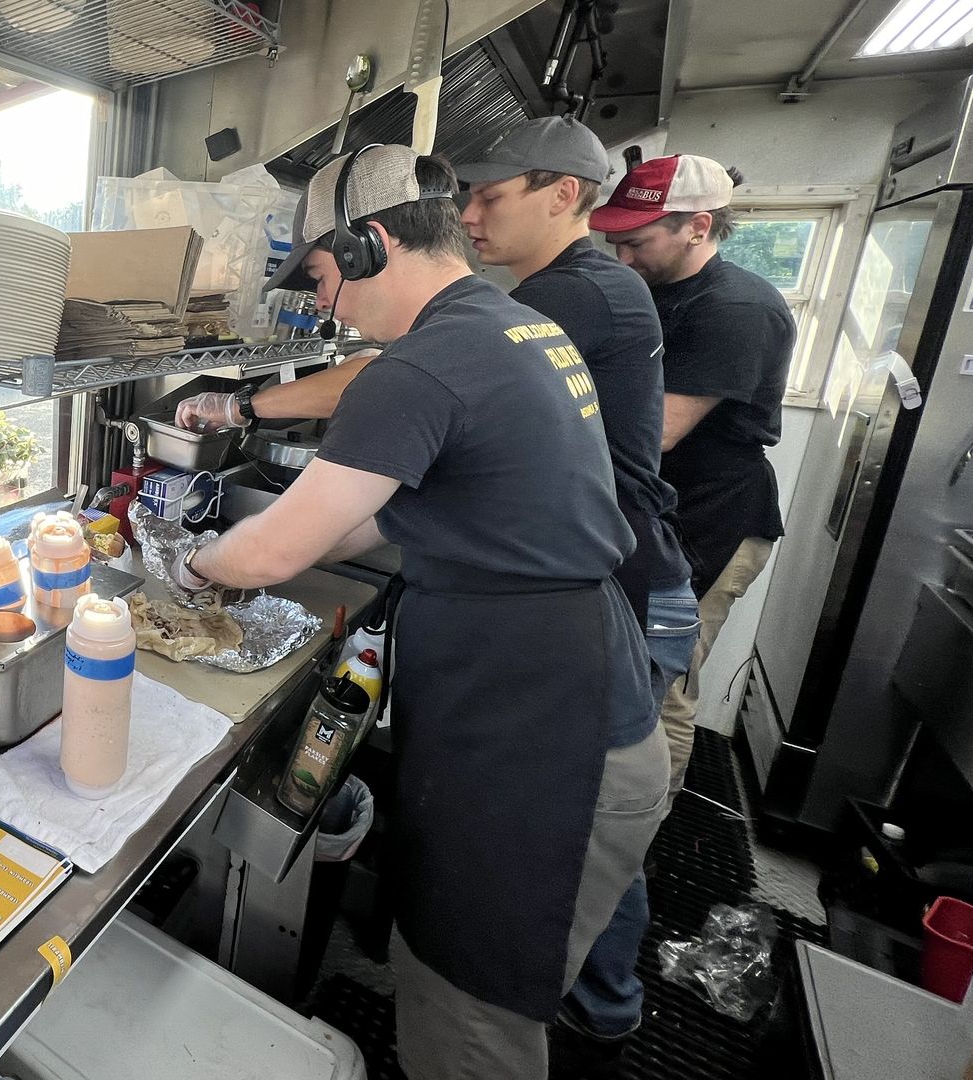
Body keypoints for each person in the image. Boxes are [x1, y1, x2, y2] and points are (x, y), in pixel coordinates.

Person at [173, 144, 665, 1080]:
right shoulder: (510, 326)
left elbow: (276, 551)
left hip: (543, 749)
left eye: (320, 277)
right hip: (572, 697)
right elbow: (371, 523)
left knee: (467, 1022)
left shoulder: (421, 368)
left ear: (367, 246)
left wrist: (191, 566)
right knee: (466, 986)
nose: (322, 306)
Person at [457, 116, 700, 1077]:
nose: (472, 215)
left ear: (564, 194)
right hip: (622, 570)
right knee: (595, 806)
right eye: (465, 198)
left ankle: (600, 1004)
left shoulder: (576, 295)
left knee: (593, 809)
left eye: (491, 194)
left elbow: (423, 375)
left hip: (626, 582)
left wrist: (240, 401)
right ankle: (600, 995)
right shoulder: (580, 286)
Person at [591, 155, 795, 797]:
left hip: (713, 522)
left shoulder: (735, 308)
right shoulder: (654, 292)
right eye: (613, 241)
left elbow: (654, 434)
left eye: (637, 242)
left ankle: (636, 840)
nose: (622, 258)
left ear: (698, 227)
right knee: (623, 675)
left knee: (661, 689)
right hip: (661, 517)